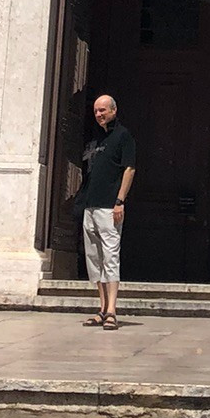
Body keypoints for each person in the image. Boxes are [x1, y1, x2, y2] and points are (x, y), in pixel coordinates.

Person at [78, 92, 135, 328]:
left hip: (109, 207)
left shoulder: (123, 136)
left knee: (110, 257)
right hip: (90, 206)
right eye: (96, 111)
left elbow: (129, 169)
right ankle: (101, 308)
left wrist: (120, 201)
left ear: (114, 110)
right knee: (94, 258)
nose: (99, 114)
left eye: (103, 110)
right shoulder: (95, 139)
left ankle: (112, 309)